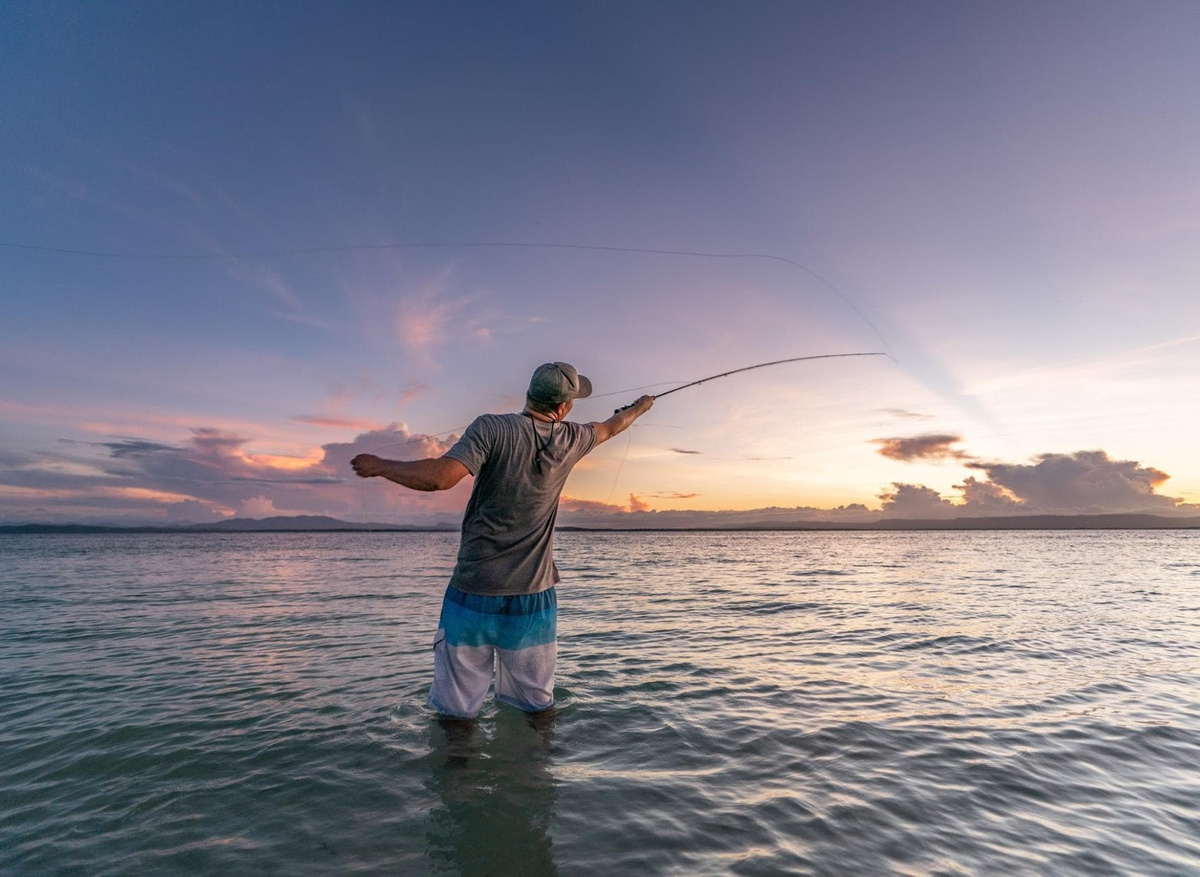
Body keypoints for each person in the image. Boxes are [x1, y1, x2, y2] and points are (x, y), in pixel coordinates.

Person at [351, 362, 654, 720]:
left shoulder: (490, 428)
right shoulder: (574, 438)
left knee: (455, 713)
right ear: (563, 408)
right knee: (537, 708)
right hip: (533, 599)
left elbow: (441, 478)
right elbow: (612, 427)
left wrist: (382, 465)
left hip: (472, 593)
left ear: (528, 393)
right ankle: (537, 773)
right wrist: (640, 407)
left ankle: (456, 774)